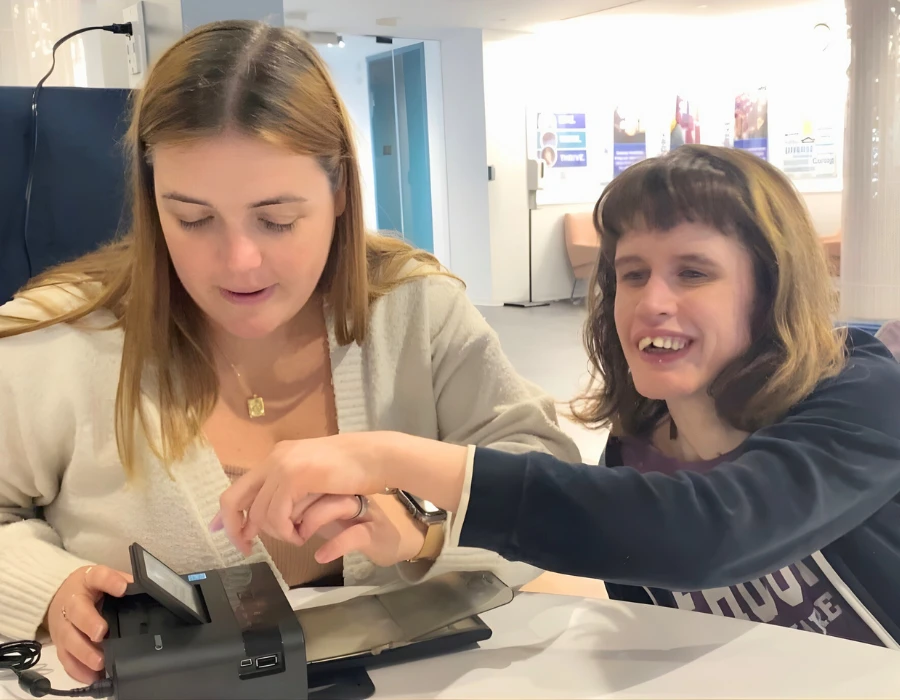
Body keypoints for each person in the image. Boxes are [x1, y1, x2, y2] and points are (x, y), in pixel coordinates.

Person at [0, 20, 580, 683]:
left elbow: (553, 493)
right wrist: (50, 588)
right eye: (192, 219)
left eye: (277, 219)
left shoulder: (415, 310)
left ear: (339, 193)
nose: (239, 262)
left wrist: (423, 526)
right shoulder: (61, 336)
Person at [219, 145, 900, 649]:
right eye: (632, 274)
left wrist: (390, 459)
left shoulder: (863, 393)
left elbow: (706, 531)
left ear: (771, 286)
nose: (652, 302)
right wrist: (421, 534)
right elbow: (636, 583)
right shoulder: (635, 450)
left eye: (693, 272)